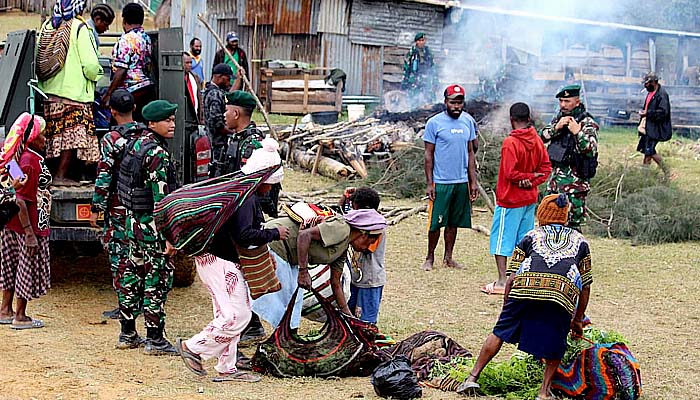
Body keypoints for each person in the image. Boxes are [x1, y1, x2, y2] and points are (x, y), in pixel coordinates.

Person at [457, 194, 592, 400]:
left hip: (523, 289)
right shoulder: (580, 241)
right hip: (561, 294)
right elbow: (585, 286)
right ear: (565, 217)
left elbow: (510, 278)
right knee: (556, 340)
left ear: (541, 215)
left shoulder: (530, 236)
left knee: (500, 332)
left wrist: (507, 306)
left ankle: (472, 377)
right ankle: (543, 392)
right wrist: (577, 319)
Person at [176, 137, 287, 383]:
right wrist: (274, 233)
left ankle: (227, 367)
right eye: (270, 184)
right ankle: (194, 348)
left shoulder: (239, 191)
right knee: (238, 316)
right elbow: (244, 235)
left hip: (211, 259)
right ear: (263, 180)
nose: (270, 189)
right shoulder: (246, 199)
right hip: (220, 262)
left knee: (228, 312)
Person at [252, 208, 386, 332]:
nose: (366, 248)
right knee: (279, 298)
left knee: (295, 302)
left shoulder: (342, 249)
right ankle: (256, 329)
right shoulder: (341, 228)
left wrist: (350, 318)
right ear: (363, 235)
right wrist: (303, 272)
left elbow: (336, 283)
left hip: (290, 258)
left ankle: (288, 337)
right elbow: (304, 235)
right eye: (369, 242)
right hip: (276, 245)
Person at [116, 100, 179, 355]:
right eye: (167, 121)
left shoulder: (136, 144)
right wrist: (169, 236)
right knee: (156, 279)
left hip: (133, 224)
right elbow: (161, 198)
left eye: (173, 120)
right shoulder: (156, 153)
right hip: (153, 228)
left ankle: (127, 332)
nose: (172, 124)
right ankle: (155, 339)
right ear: (152, 123)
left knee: (131, 276)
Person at [482, 103, 551, 296]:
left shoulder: (510, 143)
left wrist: (524, 179)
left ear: (511, 120)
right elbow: (546, 168)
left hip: (510, 200)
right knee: (524, 241)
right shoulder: (536, 139)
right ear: (529, 118)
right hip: (529, 199)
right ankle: (521, 278)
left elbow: (510, 172)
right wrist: (532, 180)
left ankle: (503, 281)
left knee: (501, 239)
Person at [90, 90, 145, 320]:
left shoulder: (111, 140)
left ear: (112, 111)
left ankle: (126, 307)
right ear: (134, 108)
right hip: (141, 206)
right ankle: (142, 302)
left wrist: (96, 209)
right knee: (140, 254)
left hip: (118, 207)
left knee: (120, 257)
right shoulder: (146, 135)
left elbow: (104, 178)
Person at [38, 0, 103, 186]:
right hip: (74, 95)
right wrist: (98, 73)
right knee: (71, 138)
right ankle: (61, 176)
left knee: (55, 138)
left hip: (50, 94)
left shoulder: (49, 25)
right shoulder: (79, 28)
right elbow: (90, 65)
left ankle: (52, 175)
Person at [0, 114, 52, 330]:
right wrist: (30, 233)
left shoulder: (11, 157)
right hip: (27, 225)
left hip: (10, 224)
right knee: (25, 268)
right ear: (32, 138)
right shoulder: (32, 161)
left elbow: (15, 189)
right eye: (43, 134)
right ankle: (20, 316)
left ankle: (5, 310)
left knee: (11, 267)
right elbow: (21, 200)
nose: (46, 139)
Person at [421, 84, 479, 271]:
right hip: (441, 182)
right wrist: (430, 183)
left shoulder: (468, 121)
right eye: (453, 102)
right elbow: (428, 155)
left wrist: (473, 182)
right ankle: (430, 258)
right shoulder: (434, 123)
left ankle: (448, 258)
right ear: (445, 102)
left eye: (459, 102)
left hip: (461, 181)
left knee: (453, 222)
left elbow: (471, 153)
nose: (456, 106)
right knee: (435, 223)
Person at [540, 84, 599, 231]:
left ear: (577, 102)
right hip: (555, 184)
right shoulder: (559, 119)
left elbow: (590, 150)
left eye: (567, 101)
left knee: (572, 228)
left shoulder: (587, 123)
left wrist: (577, 132)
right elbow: (542, 137)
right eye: (561, 101)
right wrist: (556, 128)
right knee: (549, 223)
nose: (563, 105)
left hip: (574, 186)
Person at [339, 187, 386, 325]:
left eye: (354, 206)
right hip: (355, 278)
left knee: (366, 320)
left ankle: (366, 343)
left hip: (370, 280)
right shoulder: (359, 221)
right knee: (350, 315)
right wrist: (345, 197)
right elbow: (342, 212)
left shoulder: (377, 227)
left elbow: (362, 247)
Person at [102, 3, 155, 122]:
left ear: (124, 20)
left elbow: (121, 70)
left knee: (122, 130)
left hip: (130, 93)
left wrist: (108, 94)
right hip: (147, 90)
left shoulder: (126, 40)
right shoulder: (146, 38)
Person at [204, 63, 241, 176]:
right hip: (217, 143)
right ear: (219, 77)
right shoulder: (215, 94)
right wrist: (233, 132)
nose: (229, 82)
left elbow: (230, 96)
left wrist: (239, 79)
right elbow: (217, 124)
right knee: (217, 172)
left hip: (214, 140)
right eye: (228, 78)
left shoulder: (212, 91)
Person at [637, 72, 672, 172]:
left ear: (653, 82)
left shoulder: (662, 95)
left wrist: (647, 113)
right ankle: (645, 174)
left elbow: (663, 112)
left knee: (650, 151)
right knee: (646, 150)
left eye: (647, 83)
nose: (645, 85)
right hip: (648, 126)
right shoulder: (650, 93)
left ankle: (667, 171)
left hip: (656, 128)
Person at [402, 32, 437, 106]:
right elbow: (406, 67)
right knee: (414, 100)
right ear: (416, 41)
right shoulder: (411, 53)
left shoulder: (428, 52)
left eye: (423, 40)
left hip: (426, 79)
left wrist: (435, 80)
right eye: (420, 40)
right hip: (414, 79)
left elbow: (433, 67)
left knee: (429, 99)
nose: (422, 42)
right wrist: (405, 81)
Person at [184, 52, 204, 124]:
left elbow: (199, 96)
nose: (190, 65)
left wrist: (201, 117)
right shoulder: (177, 78)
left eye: (190, 62)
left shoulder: (195, 77)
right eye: (187, 63)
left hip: (195, 115)